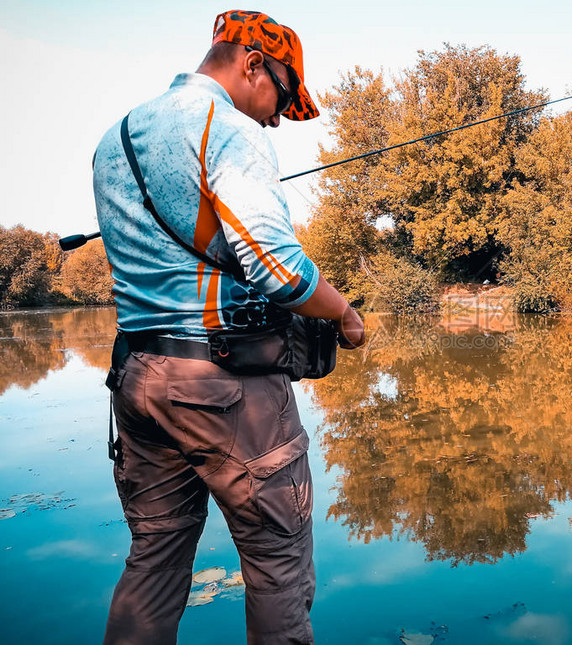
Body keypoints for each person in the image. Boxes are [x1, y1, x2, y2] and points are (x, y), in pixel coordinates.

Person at [92, 10, 364, 644]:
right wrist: (344, 313)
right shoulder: (229, 130)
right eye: (282, 95)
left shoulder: (116, 136)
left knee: (153, 562)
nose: (276, 116)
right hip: (223, 384)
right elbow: (277, 268)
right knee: (278, 569)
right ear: (251, 64)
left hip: (137, 380)